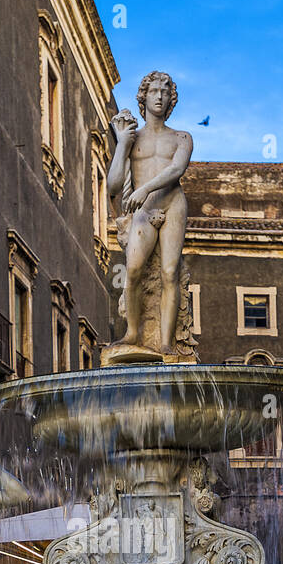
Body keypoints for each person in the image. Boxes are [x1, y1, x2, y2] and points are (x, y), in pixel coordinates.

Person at [107, 71, 193, 357]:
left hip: (171, 204)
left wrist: (144, 189)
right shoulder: (132, 138)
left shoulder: (182, 137)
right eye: (154, 91)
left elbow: (176, 170)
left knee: (170, 272)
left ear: (172, 99)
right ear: (143, 96)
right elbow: (113, 185)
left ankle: (166, 343)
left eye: (165, 92)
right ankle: (132, 332)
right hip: (143, 211)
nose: (159, 96)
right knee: (133, 270)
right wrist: (121, 144)